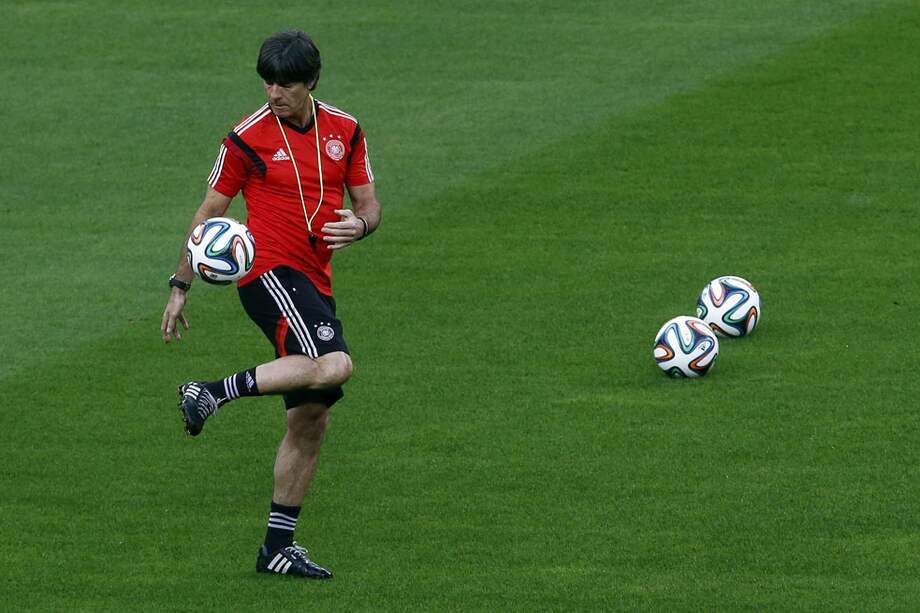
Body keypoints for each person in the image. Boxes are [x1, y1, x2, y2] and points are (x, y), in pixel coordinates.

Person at [160, 30, 381, 580]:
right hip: (266, 273)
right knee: (336, 364)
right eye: (267, 81)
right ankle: (209, 392)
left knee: (311, 415)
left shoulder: (345, 130)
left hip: (315, 281)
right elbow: (210, 209)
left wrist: (361, 226)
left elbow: (368, 203)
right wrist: (179, 284)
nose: (273, 92)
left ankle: (276, 548)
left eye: (284, 83)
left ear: (311, 82)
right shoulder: (246, 138)